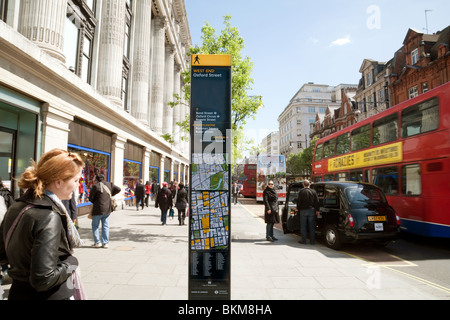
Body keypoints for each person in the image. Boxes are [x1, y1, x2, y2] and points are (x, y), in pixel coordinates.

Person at [0, 149, 84, 300]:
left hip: (18, 292)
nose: (78, 186)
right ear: (58, 182)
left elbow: (2, 254)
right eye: (76, 180)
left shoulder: (16, 206)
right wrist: (71, 262)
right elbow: (44, 278)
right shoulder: (49, 216)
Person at [88, 174, 121, 248]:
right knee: (105, 225)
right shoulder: (109, 184)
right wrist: (110, 194)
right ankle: (105, 243)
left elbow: (91, 199)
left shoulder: (95, 186)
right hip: (107, 209)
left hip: (97, 209)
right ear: (104, 178)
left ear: (96, 179)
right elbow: (118, 189)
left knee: (95, 225)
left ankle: (97, 242)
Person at [296, 180, 320, 245]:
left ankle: (303, 241)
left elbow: (299, 201)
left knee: (303, 226)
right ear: (309, 184)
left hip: (303, 210)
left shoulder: (301, 192)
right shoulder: (313, 191)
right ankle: (312, 241)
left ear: (303, 185)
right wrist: (317, 210)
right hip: (312, 210)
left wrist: (298, 208)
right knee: (311, 226)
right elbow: (317, 201)